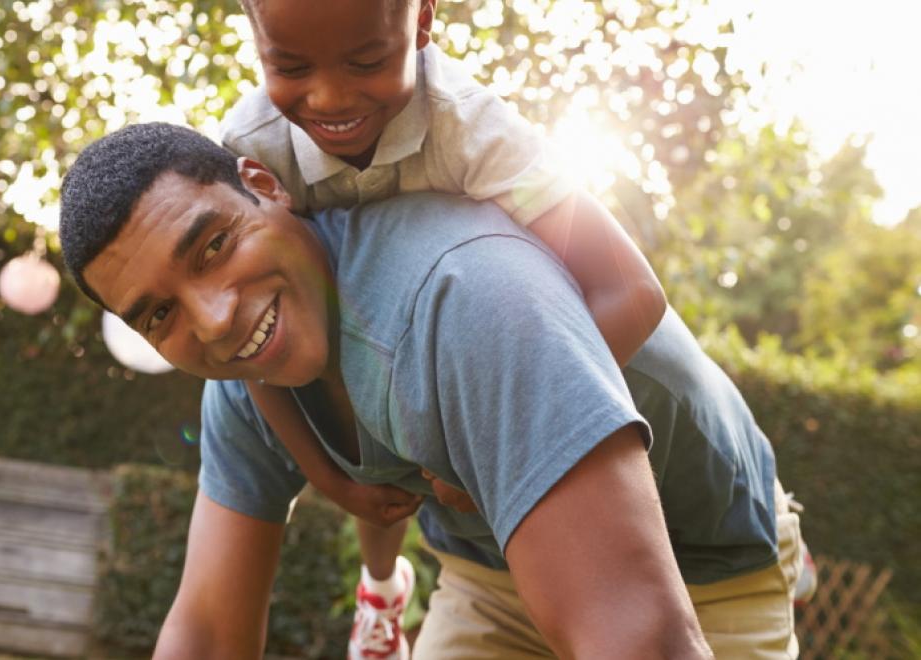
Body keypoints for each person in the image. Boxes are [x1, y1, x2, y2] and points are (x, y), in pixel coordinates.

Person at [57, 122, 805, 659]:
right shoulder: (250, 381)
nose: (215, 319)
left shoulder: (460, 294)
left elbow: (640, 638)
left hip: (707, 563)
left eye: (214, 244)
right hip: (488, 575)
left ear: (263, 185)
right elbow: (212, 634)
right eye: (160, 314)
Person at [221, 1, 668, 655]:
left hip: (464, 319)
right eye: (289, 66)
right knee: (373, 445)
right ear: (255, 40)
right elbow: (250, 337)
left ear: (423, 22)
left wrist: (496, 438)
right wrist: (329, 480)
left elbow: (630, 293)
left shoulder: (474, 128)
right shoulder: (254, 144)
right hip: (361, 322)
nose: (329, 95)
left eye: (367, 60)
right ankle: (380, 591)